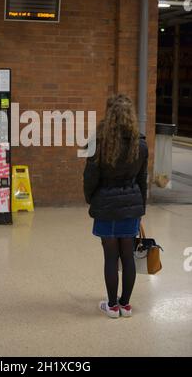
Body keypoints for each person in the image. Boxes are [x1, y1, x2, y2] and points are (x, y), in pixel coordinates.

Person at [83, 94, 148, 318]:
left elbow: (89, 177)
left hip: (106, 207)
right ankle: (126, 305)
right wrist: (141, 209)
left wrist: (92, 199)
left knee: (110, 257)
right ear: (131, 116)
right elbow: (142, 180)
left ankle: (111, 306)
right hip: (131, 206)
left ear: (108, 115)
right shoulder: (141, 144)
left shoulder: (97, 142)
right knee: (127, 256)